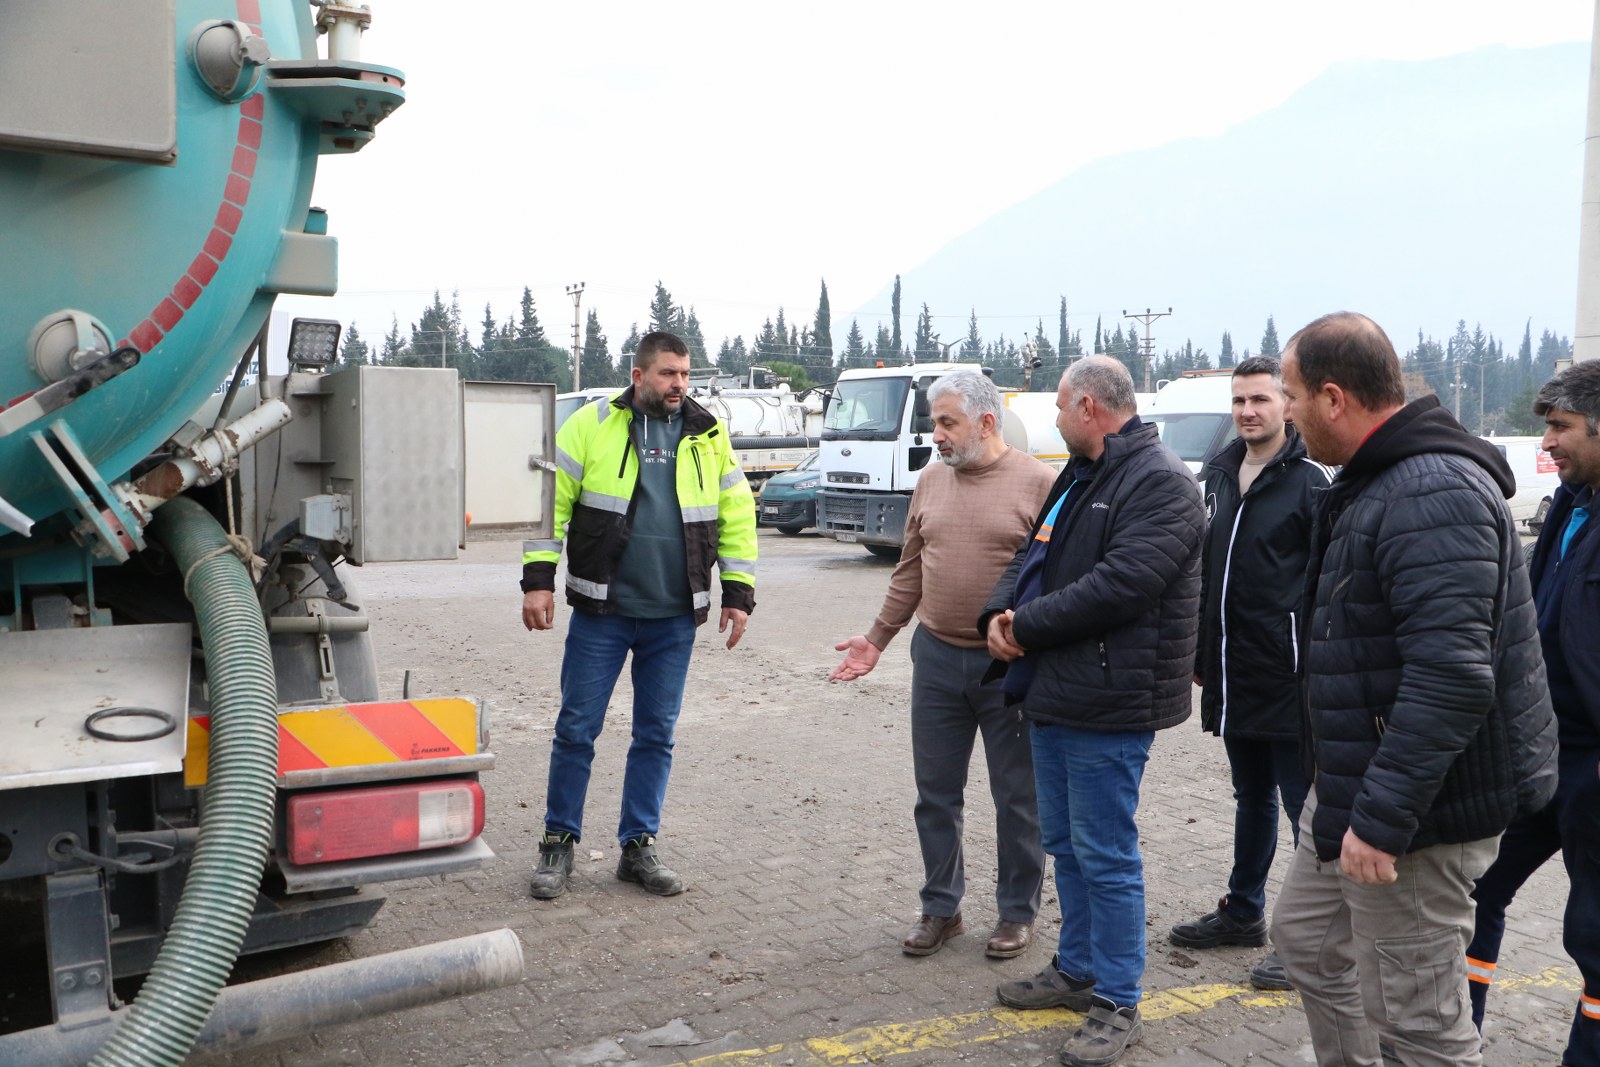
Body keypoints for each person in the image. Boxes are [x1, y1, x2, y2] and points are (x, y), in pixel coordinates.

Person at [1269, 312, 1557, 1067]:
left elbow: (1452, 677)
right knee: (1308, 938)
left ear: (1333, 397)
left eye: (1292, 396)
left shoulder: (1432, 491)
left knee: (1422, 1023)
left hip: (1420, 813)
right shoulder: (1378, 481)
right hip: (1355, 787)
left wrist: (1383, 817)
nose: (1287, 414)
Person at [982, 356, 1205, 1067]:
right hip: (1056, 689)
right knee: (1068, 845)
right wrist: (999, 611)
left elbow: (1123, 585)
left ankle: (1117, 998)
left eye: (1057, 406)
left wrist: (1025, 626)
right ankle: (1076, 970)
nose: (1052, 417)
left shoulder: (1161, 480)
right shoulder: (1082, 474)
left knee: (1106, 853)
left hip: (1111, 697)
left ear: (1088, 406)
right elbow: (1032, 553)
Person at [520, 331, 757, 900]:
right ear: (639, 375)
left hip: (674, 617)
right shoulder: (591, 425)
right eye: (668, 374)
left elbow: (735, 509)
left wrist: (739, 590)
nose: (679, 385)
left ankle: (638, 846)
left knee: (657, 734)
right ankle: (558, 842)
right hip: (602, 612)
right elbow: (549, 502)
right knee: (576, 730)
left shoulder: (707, 433)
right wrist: (537, 580)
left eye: (685, 375)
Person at [829, 371, 1055, 961]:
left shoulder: (1040, 484)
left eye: (947, 423)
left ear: (987, 422)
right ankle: (941, 907)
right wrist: (877, 639)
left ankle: (1015, 914)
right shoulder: (930, 480)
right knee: (935, 794)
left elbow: (1055, 580)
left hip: (1008, 669)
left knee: (1017, 798)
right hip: (934, 658)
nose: (937, 435)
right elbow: (909, 568)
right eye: (935, 422)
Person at [1168, 357, 1330, 991]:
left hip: (1290, 677)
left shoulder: (1311, 481)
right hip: (1234, 675)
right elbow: (1213, 571)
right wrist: (1204, 652)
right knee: (1251, 798)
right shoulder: (1220, 474)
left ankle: (1307, 942)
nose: (1247, 411)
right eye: (1238, 401)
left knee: (1303, 813)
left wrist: (1312, 662)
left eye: (1260, 399)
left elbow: (1326, 583)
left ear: (1287, 405)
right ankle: (1243, 912)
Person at [1465, 359, 1600, 1065]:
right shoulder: (1572, 505)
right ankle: (1455, 1040)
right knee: (1474, 888)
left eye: (1560, 426)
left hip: (1593, 768)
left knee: (1595, 935)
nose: (1547, 443)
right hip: (1541, 753)